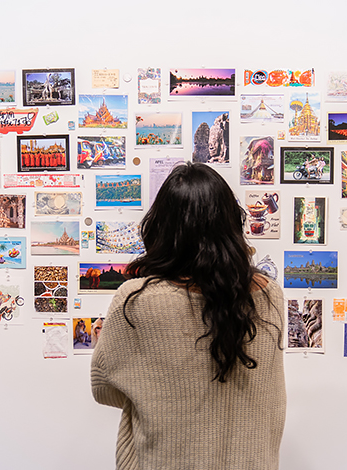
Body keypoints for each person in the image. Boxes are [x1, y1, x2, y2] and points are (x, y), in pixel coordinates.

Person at [91, 162, 286, 470]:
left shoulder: (135, 299)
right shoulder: (268, 294)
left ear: (161, 227)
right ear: (231, 223)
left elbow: (105, 389)